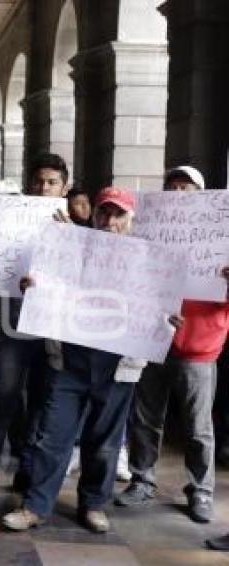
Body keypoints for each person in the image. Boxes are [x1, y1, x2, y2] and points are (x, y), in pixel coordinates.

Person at [1, 187, 173, 534]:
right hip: (70, 360)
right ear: (93, 215)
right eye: (104, 213)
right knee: (53, 436)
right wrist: (33, 285)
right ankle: (36, 506)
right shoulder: (71, 248)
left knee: (105, 442)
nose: (110, 221)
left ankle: (93, 504)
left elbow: (161, 307)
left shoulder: (149, 260)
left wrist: (169, 320)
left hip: (118, 363)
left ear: (130, 219)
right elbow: (47, 283)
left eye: (118, 214)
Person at [118, 166, 229, 525]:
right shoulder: (151, 233)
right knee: (146, 418)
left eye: (187, 188)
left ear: (201, 194)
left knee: (198, 427)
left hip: (199, 346)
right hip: (154, 338)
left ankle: (201, 491)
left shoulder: (220, 240)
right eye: (172, 187)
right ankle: (142, 479)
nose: (179, 194)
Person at [0, 153, 69, 502]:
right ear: (28, 185)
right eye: (39, 181)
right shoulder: (10, 220)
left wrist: (68, 237)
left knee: (41, 404)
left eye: (52, 182)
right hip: (14, 322)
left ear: (64, 187)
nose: (44, 187)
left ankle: (27, 471)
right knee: (4, 400)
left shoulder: (75, 231)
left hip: (52, 331)